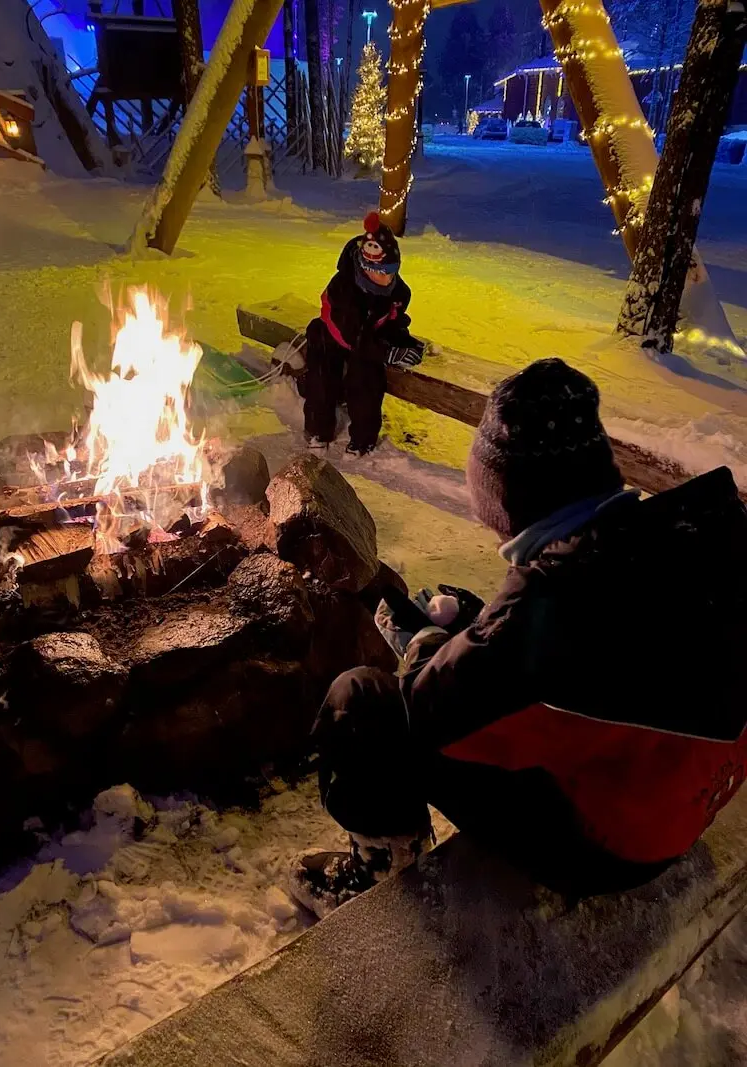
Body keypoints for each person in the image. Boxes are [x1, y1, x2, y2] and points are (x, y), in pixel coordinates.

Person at [289, 357, 747, 918]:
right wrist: (476, 633)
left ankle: (383, 865)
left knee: (359, 702)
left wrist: (427, 648)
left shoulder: (553, 603)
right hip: (694, 792)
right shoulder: (693, 536)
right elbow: (576, 662)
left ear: (504, 495)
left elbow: (432, 715)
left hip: (612, 849)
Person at [303, 212, 425, 457]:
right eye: (381, 271)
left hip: (365, 343)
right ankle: (319, 430)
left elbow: (392, 321)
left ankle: (363, 440)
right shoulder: (344, 286)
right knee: (322, 379)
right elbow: (351, 334)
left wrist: (404, 342)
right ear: (367, 267)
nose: (387, 277)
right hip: (333, 335)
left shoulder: (398, 291)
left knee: (367, 379)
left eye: (392, 271)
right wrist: (387, 352)